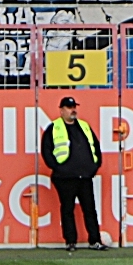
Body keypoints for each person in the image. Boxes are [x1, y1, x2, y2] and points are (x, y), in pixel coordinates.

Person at [40, 97, 108, 252]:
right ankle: (71, 241)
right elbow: (46, 151)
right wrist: (58, 168)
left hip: (84, 176)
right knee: (67, 209)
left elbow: (95, 147)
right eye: (69, 107)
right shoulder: (54, 128)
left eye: (74, 107)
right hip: (65, 177)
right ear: (61, 110)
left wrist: (94, 167)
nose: (73, 110)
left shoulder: (84, 126)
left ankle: (95, 240)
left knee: (89, 209)